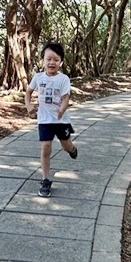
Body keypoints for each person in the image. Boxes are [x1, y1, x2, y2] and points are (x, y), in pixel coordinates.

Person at [26, 42, 78, 198]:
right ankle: (46, 179)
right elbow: (28, 93)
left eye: (56, 59)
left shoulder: (63, 79)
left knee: (66, 145)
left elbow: (65, 97)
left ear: (61, 62)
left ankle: (72, 149)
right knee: (45, 148)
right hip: (44, 120)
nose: (52, 62)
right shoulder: (38, 77)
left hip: (61, 120)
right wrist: (29, 106)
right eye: (48, 59)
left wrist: (62, 109)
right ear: (43, 60)